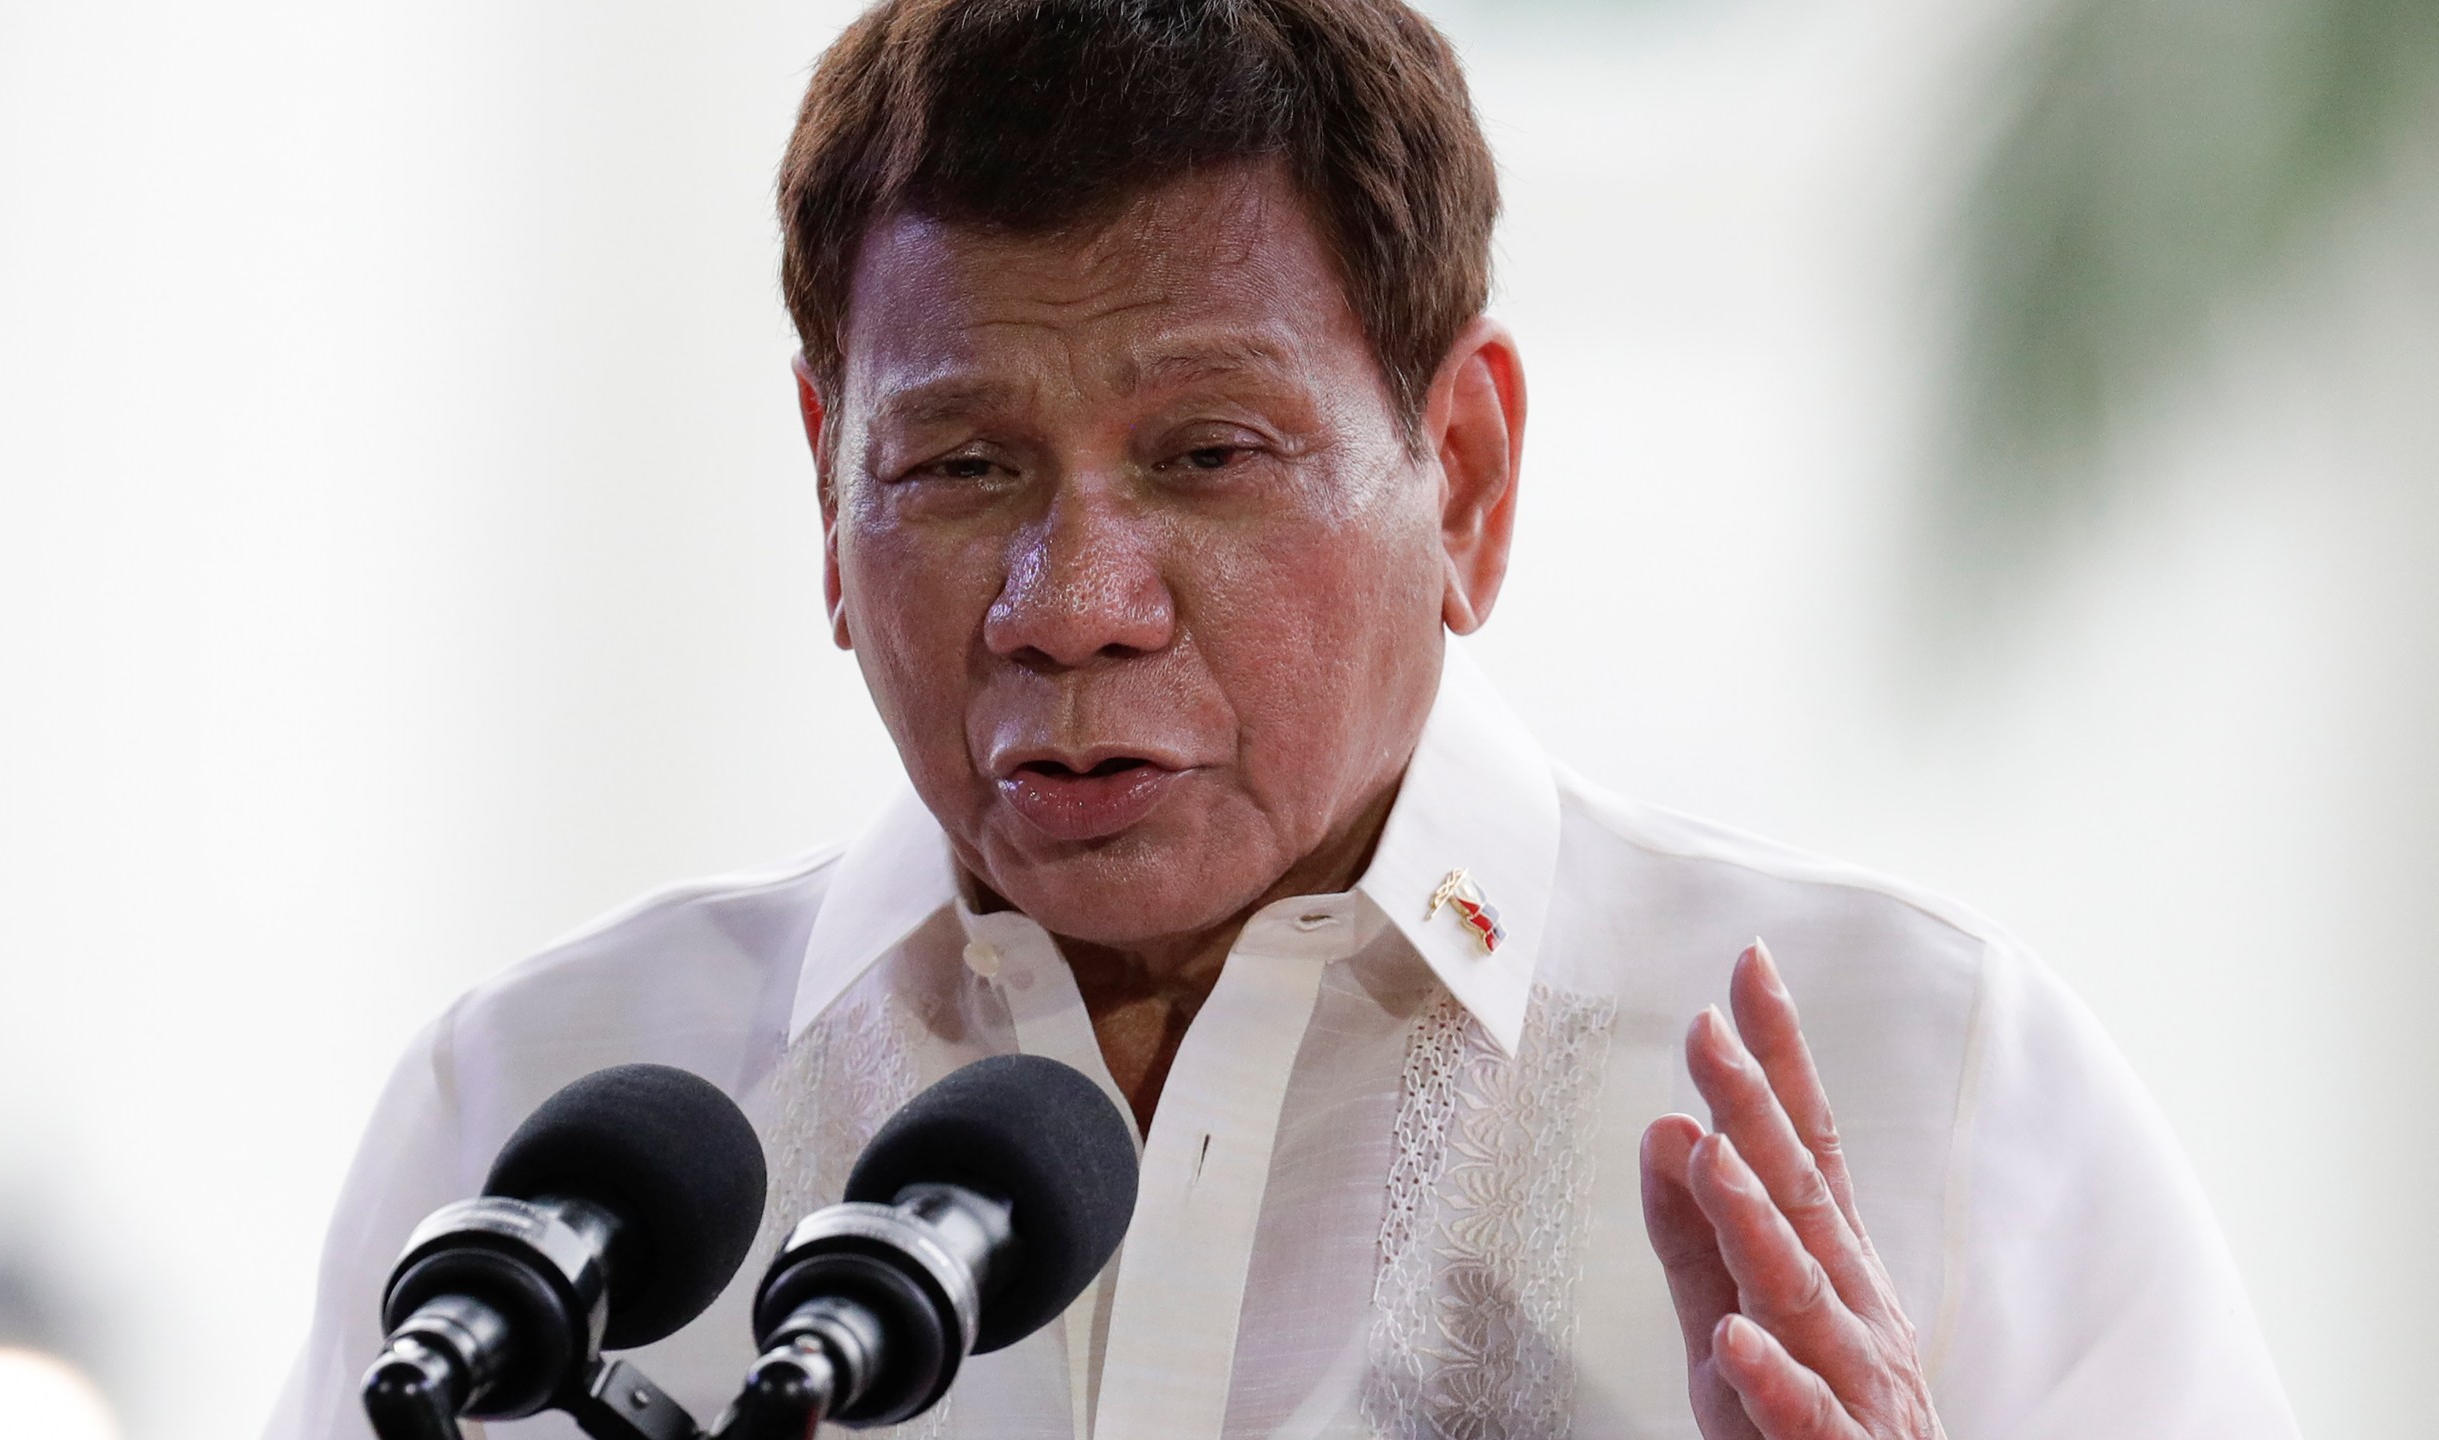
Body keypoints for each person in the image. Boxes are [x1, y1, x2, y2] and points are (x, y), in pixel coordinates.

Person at [268, 2, 2301, 1437]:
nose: (1068, 606)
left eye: (1207, 454)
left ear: (1468, 477)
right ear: (824, 483)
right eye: (960, 466)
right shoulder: (538, 1128)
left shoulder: (1918, 1082)